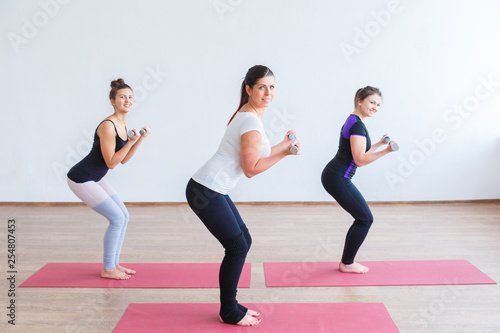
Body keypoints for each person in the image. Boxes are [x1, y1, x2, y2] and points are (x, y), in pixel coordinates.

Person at [185, 65, 299, 327]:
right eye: (262, 87)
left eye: (272, 87)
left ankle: (231, 304)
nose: (268, 92)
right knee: (236, 247)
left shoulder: (250, 115)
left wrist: (284, 144)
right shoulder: (249, 121)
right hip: (206, 189)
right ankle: (229, 311)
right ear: (249, 89)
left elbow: (254, 153)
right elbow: (251, 169)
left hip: (211, 188)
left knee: (243, 240)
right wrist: (284, 153)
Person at [67, 78, 151, 280]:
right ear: (113, 101)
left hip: (95, 177)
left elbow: (124, 160)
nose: (127, 100)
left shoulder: (123, 124)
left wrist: (138, 140)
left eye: (130, 97)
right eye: (122, 97)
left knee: (124, 216)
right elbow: (112, 162)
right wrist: (131, 141)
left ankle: (113, 264)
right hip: (82, 178)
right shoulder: (108, 126)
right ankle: (107, 268)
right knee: (117, 218)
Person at [321, 86, 396, 274]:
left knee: (363, 218)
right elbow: (360, 160)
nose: (375, 107)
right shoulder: (357, 126)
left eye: (378, 104)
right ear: (360, 101)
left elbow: (360, 152)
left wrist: (379, 144)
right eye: (372, 102)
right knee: (365, 219)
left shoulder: (355, 120)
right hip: (338, 177)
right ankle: (347, 263)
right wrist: (386, 151)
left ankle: (347, 261)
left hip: (335, 175)